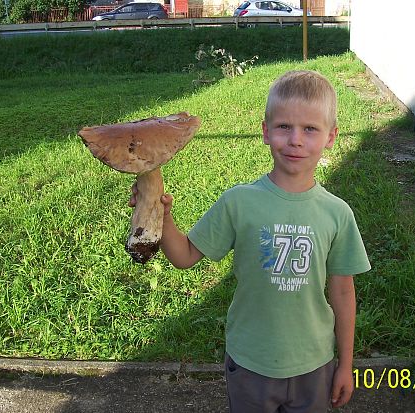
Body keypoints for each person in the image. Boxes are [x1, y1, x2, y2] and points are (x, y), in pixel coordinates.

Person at [130, 70, 371, 412]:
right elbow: (184, 256)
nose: (296, 140)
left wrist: (345, 365)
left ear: (331, 137)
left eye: (310, 129)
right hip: (250, 362)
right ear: (265, 132)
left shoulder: (337, 213)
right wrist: (162, 215)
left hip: (315, 364)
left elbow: (344, 292)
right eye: (284, 126)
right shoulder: (238, 202)